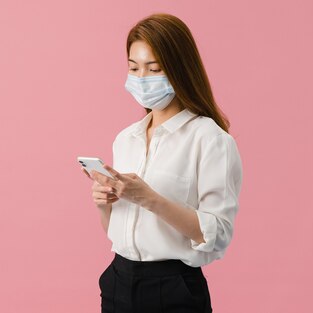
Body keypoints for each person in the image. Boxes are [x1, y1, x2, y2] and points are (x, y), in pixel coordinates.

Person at [80, 13, 243, 313]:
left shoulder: (210, 140)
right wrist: (105, 203)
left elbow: (217, 234)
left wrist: (151, 199)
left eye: (153, 69)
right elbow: (120, 232)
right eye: (133, 67)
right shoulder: (126, 139)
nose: (141, 79)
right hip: (118, 281)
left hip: (173, 288)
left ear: (179, 69)